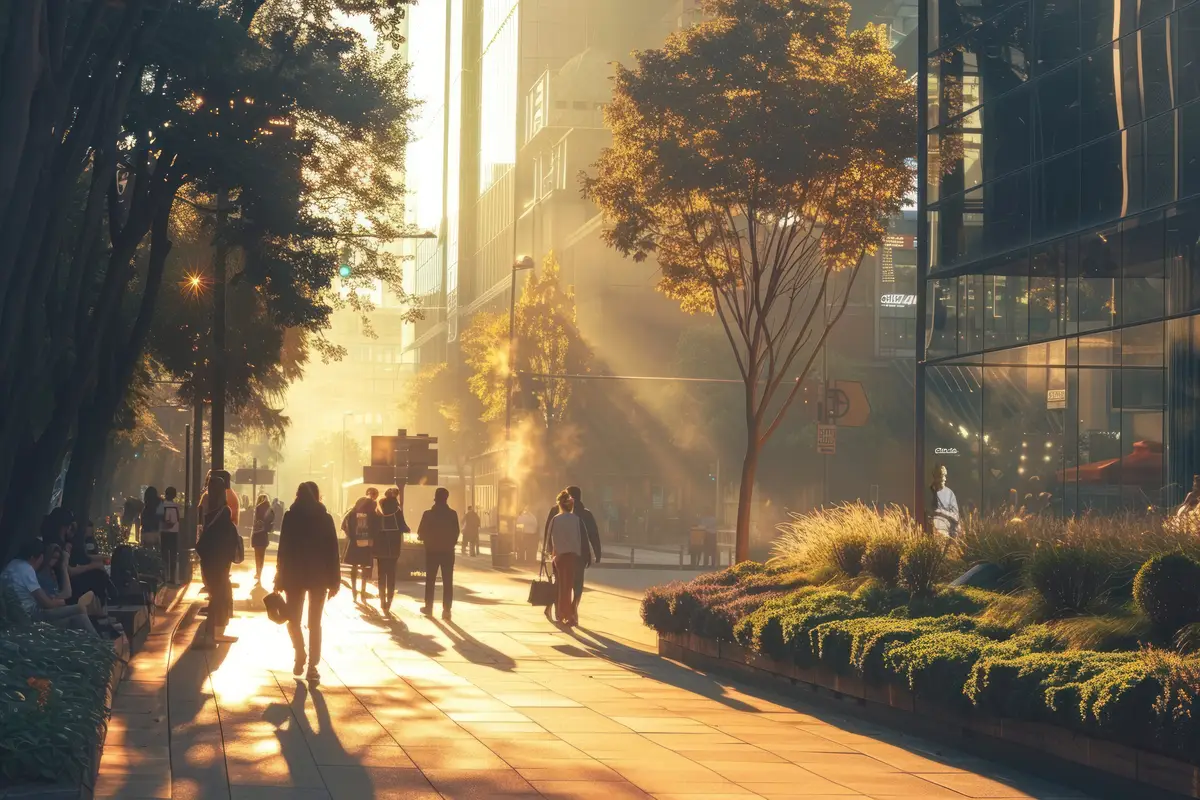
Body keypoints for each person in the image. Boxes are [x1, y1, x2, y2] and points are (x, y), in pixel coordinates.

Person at [275, 482, 340, 685]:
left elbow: (283, 548)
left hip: (294, 575)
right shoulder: (325, 518)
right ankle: (312, 666)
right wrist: (335, 580)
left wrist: (279, 575)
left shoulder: (290, 516)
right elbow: (333, 550)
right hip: (319, 576)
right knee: (315, 623)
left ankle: (300, 653)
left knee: (293, 619)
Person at [2, 538, 98, 636]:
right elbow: (47, 604)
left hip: (18, 615)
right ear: (34, 557)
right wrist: (60, 602)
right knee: (79, 611)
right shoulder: (26, 569)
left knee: (78, 614)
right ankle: (100, 644)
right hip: (33, 615)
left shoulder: (11, 566)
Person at [195, 473, 241, 647]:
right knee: (220, 595)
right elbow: (228, 534)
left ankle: (211, 632)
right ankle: (215, 632)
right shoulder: (224, 510)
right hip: (221, 559)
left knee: (216, 594)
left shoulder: (207, 508)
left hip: (208, 558)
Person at [543, 486, 601, 619]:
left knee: (560, 584)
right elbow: (593, 535)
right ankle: (572, 610)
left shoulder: (555, 511)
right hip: (578, 555)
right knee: (577, 584)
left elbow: (548, 531)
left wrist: (548, 550)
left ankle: (558, 610)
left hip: (559, 554)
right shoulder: (586, 514)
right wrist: (596, 553)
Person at [417, 487, 459, 620]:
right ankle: (447, 610)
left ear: (435, 498)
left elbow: (420, 533)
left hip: (432, 551)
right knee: (448, 580)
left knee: (430, 580)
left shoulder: (428, 514)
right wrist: (450, 544)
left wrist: (428, 540)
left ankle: (428, 607)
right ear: (446, 498)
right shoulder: (452, 514)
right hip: (447, 552)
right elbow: (456, 532)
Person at [547, 490, 583, 627]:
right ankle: (567, 614)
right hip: (572, 555)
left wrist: (552, 553)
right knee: (568, 586)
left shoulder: (556, 519)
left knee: (562, 586)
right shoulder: (576, 519)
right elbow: (578, 538)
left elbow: (551, 537)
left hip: (560, 556)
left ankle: (563, 613)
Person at [375, 487, 408, 613]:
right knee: (391, 573)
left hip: (380, 546)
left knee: (381, 573)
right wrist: (406, 529)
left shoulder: (378, 508)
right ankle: (389, 600)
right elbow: (403, 526)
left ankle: (382, 599)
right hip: (393, 546)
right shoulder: (397, 510)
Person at [342, 488, 379, 601]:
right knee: (365, 568)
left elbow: (345, 526)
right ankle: (362, 590)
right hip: (367, 544)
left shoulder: (352, 513)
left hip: (354, 543)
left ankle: (354, 591)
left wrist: (352, 537)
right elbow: (376, 528)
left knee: (354, 567)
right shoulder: (373, 514)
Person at [929, 465, 960, 538]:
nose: (944, 479)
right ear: (934, 477)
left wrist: (941, 512)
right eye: (940, 476)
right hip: (930, 534)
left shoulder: (949, 493)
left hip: (947, 533)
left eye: (944, 476)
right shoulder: (928, 492)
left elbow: (956, 517)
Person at [160, 487, 183, 583]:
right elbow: (179, 519)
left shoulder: (161, 506)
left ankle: (165, 577)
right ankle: (173, 578)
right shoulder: (177, 506)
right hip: (174, 532)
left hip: (164, 532)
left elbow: (158, 518)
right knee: (173, 555)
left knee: (164, 555)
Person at [251, 494, 274, 584]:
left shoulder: (258, 508)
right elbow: (271, 523)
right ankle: (260, 572)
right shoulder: (270, 509)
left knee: (257, 555)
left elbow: (255, 522)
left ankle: (258, 572)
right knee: (262, 556)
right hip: (264, 535)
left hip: (257, 534)